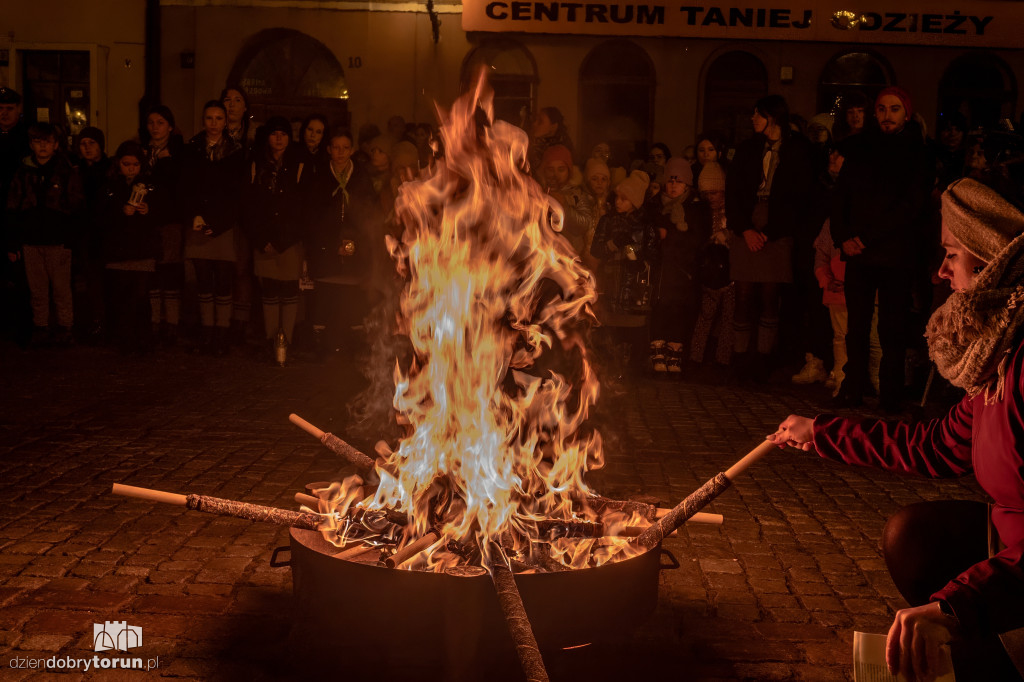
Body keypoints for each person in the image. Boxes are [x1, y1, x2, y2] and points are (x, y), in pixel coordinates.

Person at [771, 177, 1024, 682]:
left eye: (952, 255)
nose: (941, 271)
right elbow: (937, 446)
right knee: (912, 535)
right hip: (1010, 548)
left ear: (990, 262)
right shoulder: (995, 359)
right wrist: (821, 432)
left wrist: (954, 607)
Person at [830, 86, 934, 412]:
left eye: (894, 109)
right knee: (856, 327)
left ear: (906, 114)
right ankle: (853, 387)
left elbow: (910, 206)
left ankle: (890, 394)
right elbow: (841, 196)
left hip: (894, 254)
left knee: (892, 328)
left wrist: (865, 237)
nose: (887, 115)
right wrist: (843, 237)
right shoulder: (860, 148)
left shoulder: (917, 152)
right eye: (882, 109)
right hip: (859, 253)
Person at [725, 94, 817, 380]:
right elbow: (733, 192)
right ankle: (740, 356)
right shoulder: (747, 149)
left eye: (758, 114)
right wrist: (745, 229)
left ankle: (764, 358)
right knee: (743, 293)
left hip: (778, 227)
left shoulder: (798, 149)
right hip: (747, 222)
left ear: (773, 117)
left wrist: (770, 232)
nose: (753, 119)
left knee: (770, 293)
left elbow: (800, 196)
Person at [5, 122, 84, 347]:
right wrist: (13, 242)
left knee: (61, 288)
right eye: (37, 141)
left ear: (55, 145)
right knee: (37, 288)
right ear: (31, 144)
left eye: (47, 142)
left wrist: (71, 238)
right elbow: (13, 206)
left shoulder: (65, 171)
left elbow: (76, 205)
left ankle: (65, 327)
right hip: (31, 240)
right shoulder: (23, 171)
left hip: (57, 239)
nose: (42, 146)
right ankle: (41, 326)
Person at [179, 99, 245, 355]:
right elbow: (186, 186)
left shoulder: (235, 151)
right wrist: (195, 215)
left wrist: (218, 223)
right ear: (203, 120)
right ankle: (207, 331)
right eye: (209, 118)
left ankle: (222, 331)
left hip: (224, 224)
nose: (214, 124)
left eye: (219, 118)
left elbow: (236, 193)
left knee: (224, 280)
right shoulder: (192, 149)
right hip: (198, 222)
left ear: (226, 121)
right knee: (203, 279)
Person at [305, 127, 377, 358]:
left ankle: (353, 345)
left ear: (352, 150)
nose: (340, 152)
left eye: (345, 148)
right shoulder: (319, 175)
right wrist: (331, 242)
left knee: (352, 298)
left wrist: (354, 241)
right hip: (326, 248)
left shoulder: (361, 176)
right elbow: (313, 215)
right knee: (325, 296)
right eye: (336, 147)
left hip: (356, 247)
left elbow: (369, 212)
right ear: (328, 149)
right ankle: (321, 344)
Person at [242, 116, 306, 361]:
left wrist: (284, 239)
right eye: (274, 134)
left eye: (283, 134)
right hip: (263, 238)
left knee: (289, 289)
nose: (279, 139)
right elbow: (248, 205)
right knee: (268, 289)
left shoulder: (299, 164)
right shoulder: (256, 164)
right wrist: (261, 238)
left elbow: (303, 207)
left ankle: (286, 340)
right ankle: (272, 339)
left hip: (289, 239)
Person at [98, 141, 160, 354]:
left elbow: (162, 211)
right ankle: (124, 338)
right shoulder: (110, 187)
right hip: (118, 251)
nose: (131, 169)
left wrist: (148, 210)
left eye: (135, 164)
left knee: (141, 296)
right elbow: (100, 216)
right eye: (126, 164)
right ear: (119, 163)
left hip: (142, 250)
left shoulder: (150, 185)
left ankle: (142, 338)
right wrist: (120, 211)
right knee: (121, 295)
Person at [648, 157, 707, 372]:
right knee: (660, 308)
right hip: (661, 269)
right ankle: (658, 349)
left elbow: (696, 239)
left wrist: (669, 236)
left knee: (678, 311)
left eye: (679, 181)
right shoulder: (655, 206)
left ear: (687, 184)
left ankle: (675, 349)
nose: (673, 185)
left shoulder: (695, 210)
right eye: (670, 181)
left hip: (684, 270)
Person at [141, 105, 185, 346]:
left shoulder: (178, 153)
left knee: (170, 271)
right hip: (147, 220)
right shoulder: (142, 151)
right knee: (153, 272)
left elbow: (176, 185)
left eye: (160, 122)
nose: (155, 127)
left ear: (170, 126)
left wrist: (165, 162)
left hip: (169, 220)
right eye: (151, 122)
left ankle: (172, 324)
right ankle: (154, 321)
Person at [689, 161, 734, 370]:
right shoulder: (702, 214)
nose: (710, 198)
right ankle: (696, 358)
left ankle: (722, 360)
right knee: (705, 316)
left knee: (728, 318)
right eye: (706, 193)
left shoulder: (732, 214)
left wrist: (727, 235)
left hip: (731, 275)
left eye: (714, 193)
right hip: (709, 275)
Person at [73, 126, 111, 341]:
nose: (87, 148)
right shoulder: (76, 171)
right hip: (85, 233)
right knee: (91, 280)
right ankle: (96, 321)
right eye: (83, 144)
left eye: (92, 143)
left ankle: (107, 321)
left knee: (105, 279)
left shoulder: (109, 169)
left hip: (105, 231)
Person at [539, 144, 595, 256]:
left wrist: (564, 206)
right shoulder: (537, 192)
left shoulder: (577, 194)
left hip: (569, 256)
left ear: (569, 171)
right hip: (542, 255)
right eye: (550, 169)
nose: (555, 175)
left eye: (561, 170)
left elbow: (584, 225)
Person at [528, 107, 573, 179]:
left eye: (540, 122)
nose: (534, 124)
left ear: (553, 127)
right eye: (535, 120)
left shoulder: (561, 150)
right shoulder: (530, 143)